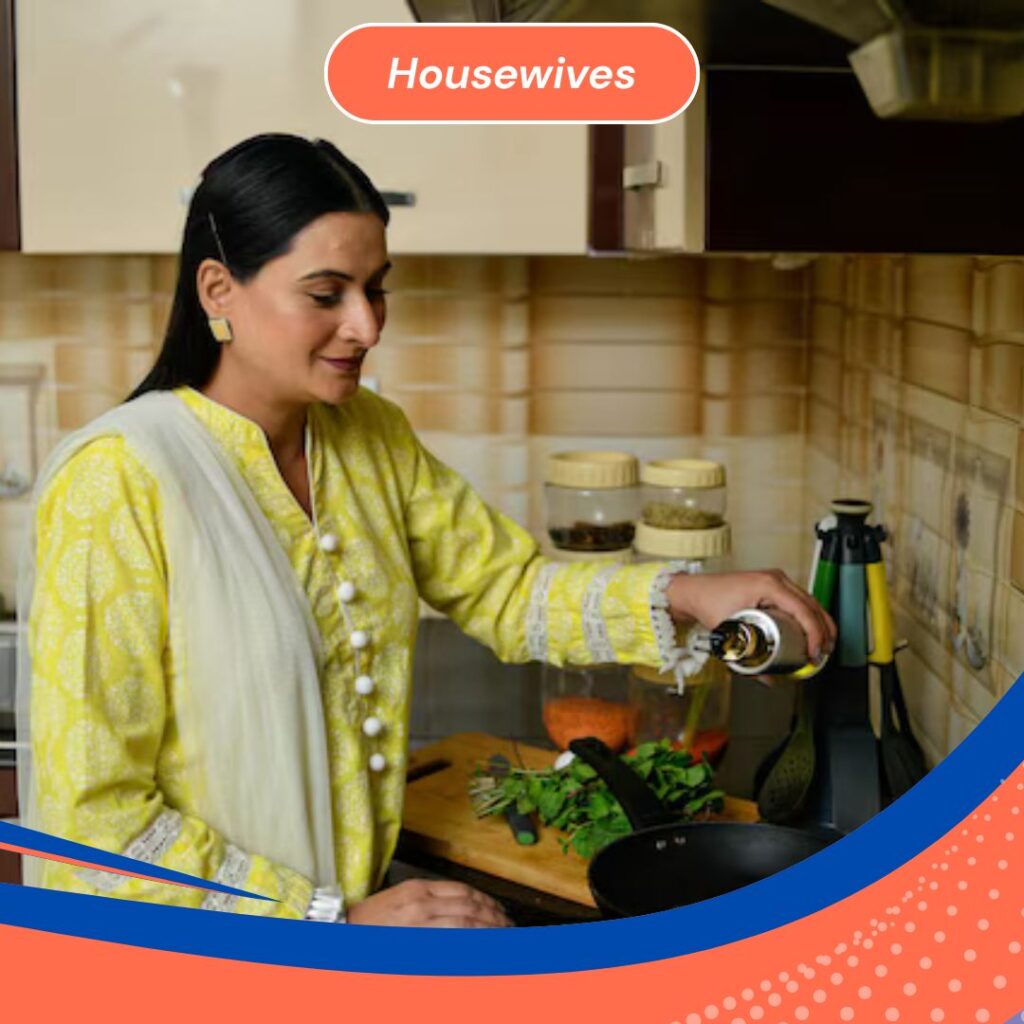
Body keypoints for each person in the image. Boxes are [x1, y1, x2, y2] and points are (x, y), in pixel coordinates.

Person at [16, 134, 835, 928]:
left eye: (376, 289)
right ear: (218, 290)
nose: (367, 327)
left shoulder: (367, 436)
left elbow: (506, 589)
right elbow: (94, 827)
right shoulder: (117, 478)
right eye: (326, 294)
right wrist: (331, 921)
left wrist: (688, 593)